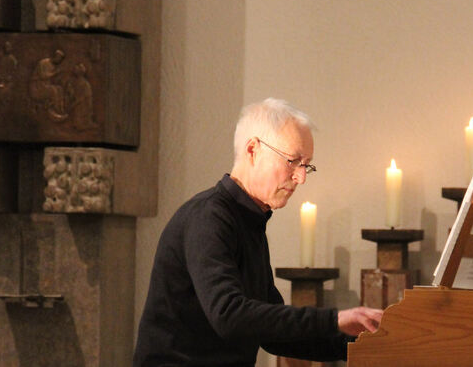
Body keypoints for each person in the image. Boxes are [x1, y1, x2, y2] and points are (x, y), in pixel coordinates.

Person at [134, 98, 384, 366]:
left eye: (306, 164)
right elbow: (229, 315)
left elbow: (275, 336)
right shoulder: (207, 217)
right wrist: (335, 319)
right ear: (253, 149)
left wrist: (368, 347)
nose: (301, 177)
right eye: (293, 161)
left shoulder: (250, 220)